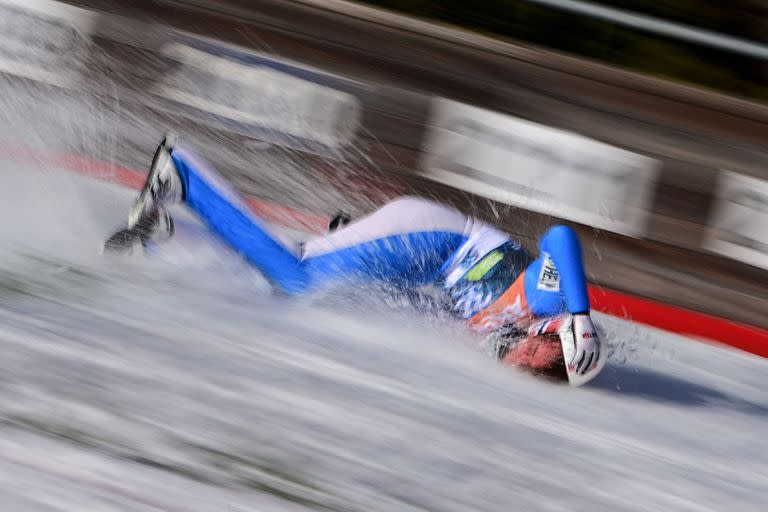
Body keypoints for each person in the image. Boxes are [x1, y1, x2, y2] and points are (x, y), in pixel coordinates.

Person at [109, 134, 605, 385]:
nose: (534, 369)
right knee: (300, 279)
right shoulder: (547, 299)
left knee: (317, 300)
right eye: (548, 362)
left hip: (422, 262)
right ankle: (184, 172)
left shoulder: (500, 342)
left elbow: (436, 309)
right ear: (553, 335)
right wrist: (580, 314)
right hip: (432, 239)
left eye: (548, 375)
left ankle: (168, 240)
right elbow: (561, 238)